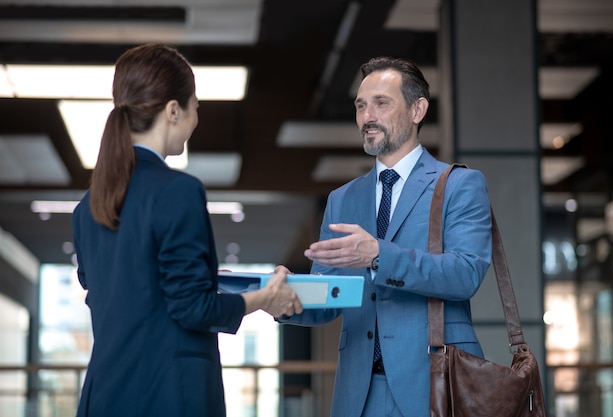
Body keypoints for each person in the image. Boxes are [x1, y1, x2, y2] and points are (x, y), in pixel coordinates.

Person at [72, 43, 302, 417]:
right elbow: (193, 309)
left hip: (105, 394)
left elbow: (129, 291)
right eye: (196, 107)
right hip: (168, 395)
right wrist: (265, 299)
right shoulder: (177, 190)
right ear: (173, 110)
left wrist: (203, 277)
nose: (197, 119)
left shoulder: (88, 205)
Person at [279, 56, 493, 417]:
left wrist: (378, 255)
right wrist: (284, 299)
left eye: (381, 103)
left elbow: (465, 274)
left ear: (417, 109)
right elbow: (329, 297)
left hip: (434, 384)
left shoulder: (459, 184)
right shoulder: (341, 199)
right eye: (361, 106)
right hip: (358, 393)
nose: (367, 117)